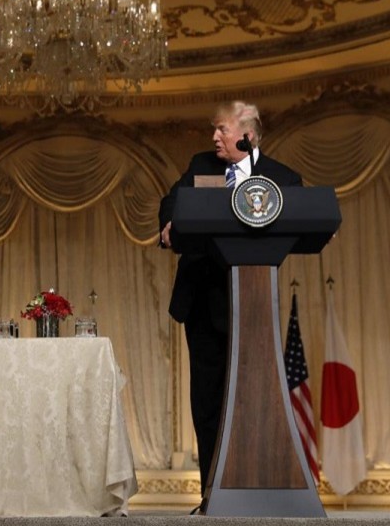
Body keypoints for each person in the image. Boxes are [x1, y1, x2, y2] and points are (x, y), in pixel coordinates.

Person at [158, 101, 302, 505]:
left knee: (256, 399)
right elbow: (171, 203)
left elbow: (303, 214)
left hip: (251, 305)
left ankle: (260, 489)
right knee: (208, 400)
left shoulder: (283, 179)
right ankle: (212, 495)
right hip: (203, 301)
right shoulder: (200, 164)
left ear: (247, 136)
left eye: (221, 129)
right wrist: (168, 224)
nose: (214, 137)